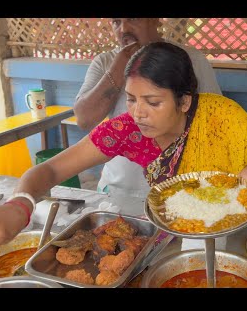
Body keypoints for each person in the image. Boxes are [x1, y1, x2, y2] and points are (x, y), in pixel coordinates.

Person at [0, 42, 247, 270]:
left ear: (185, 102)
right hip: (182, 232)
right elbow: (51, 171)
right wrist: (18, 205)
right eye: (131, 99)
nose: (138, 113)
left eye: (152, 101)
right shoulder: (127, 129)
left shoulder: (222, 118)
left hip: (240, 235)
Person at [74, 18, 221, 198]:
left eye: (133, 19)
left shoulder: (191, 60)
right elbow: (84, 119)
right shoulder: (106, 62)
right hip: (117, 190)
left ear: (155, 21)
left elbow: (215, 124)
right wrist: (119, 68)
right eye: (116, 22)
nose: (123, 29)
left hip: (179, 191)